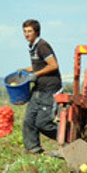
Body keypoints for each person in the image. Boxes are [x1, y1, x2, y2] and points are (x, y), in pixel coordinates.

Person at [19, 19, 62, 154]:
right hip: (38, 88)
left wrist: (36, 74)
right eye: (25, 31)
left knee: (43, 123)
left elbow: (53, 65)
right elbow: (40, 65)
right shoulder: (32, 47)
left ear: (36, 32)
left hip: (49, 89)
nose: (26, 34)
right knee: (28, 120)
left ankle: (69, 138)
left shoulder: (42, 46)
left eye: (29, 31)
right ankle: (33, 148)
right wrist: (26, 70)